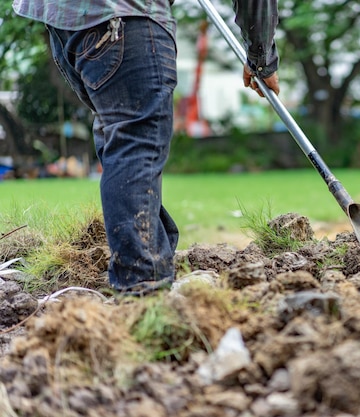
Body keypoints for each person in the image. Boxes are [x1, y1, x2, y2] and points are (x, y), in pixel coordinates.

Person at [12, 0, 280, 295]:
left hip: (64, 22)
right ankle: (143, 290)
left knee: (120, 133)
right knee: (134, 140)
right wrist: (261, 57)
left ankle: (152, 262)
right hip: (123, 18)